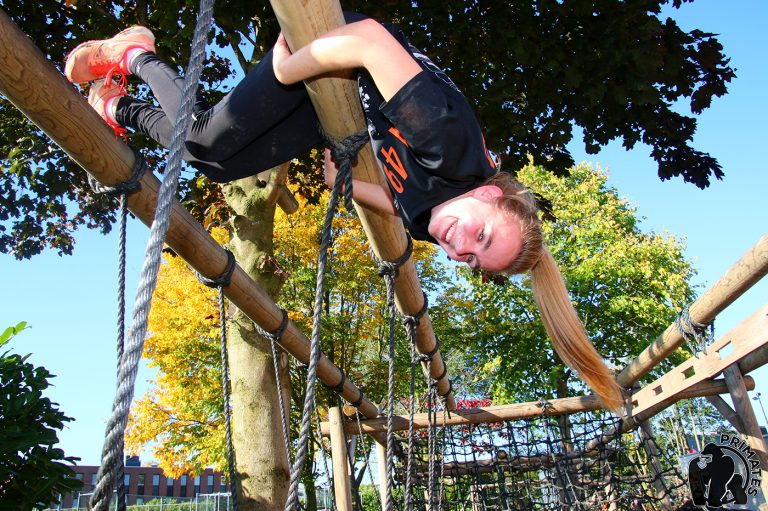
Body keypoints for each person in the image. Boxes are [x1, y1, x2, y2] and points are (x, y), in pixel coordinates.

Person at [64, 15, 625, 412]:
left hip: (340, 105)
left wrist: (348, 186)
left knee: (211, 162)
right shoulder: (449, 142)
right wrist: (289, 70)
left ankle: (115, 104)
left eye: (473, 260)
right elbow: (370, 41)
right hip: (332, 47)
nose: (462, 250)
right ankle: (135, 53)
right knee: (207, 140)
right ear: (489, 194)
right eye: (480, 236)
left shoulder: (444, 223)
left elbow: (402, 211)